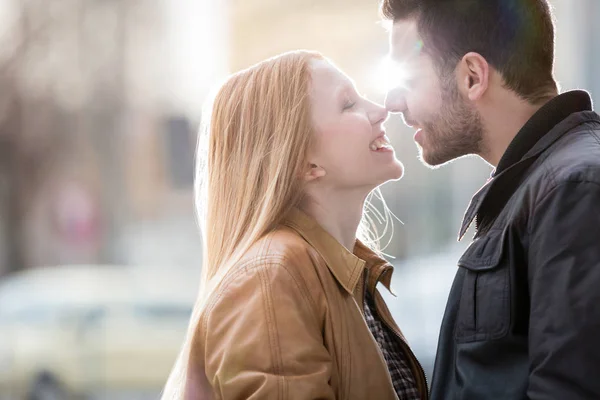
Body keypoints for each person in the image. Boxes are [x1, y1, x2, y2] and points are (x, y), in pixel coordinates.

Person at [161, 50, 429, 400]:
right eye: (348, 104)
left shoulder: (337, 274)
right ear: (305, 162)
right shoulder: (271, 276)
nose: (380, 111)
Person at [381, 0, 600, 399]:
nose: (395, 103)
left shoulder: (574, 188)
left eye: (410, 81)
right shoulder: (537, 188)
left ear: (472, 76)